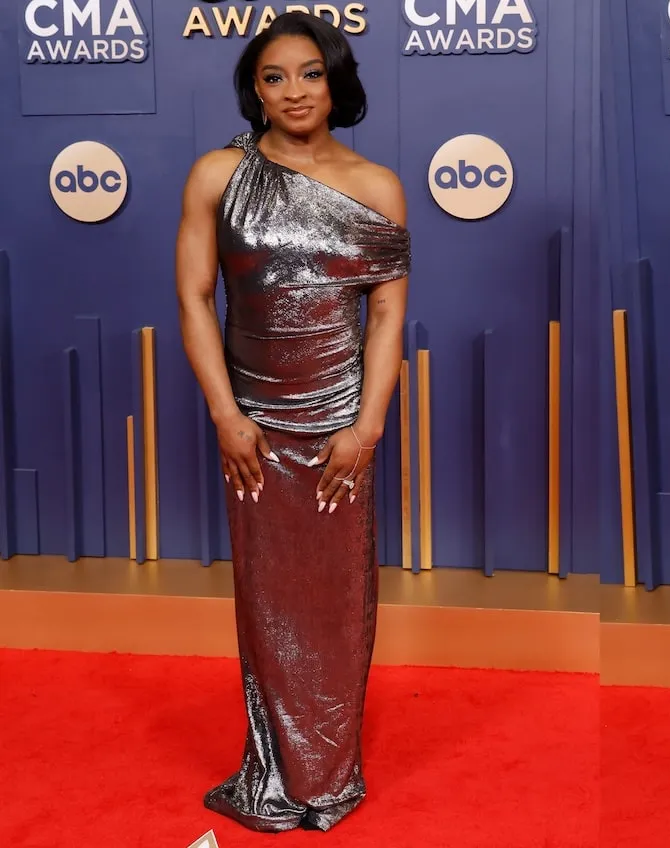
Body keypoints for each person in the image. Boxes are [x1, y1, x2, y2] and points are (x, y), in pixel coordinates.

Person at [175, 11, 411, 833]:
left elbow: (387, 320)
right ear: (255, 90)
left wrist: (368, 427)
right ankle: (277, 767)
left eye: (308, 73)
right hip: (256, 428)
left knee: (342, 598)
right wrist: (225, 414)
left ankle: (328, 773)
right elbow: (194, 300)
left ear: (335, 78)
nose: (293, 91)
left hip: (342, 422)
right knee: (268, 597)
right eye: (274, 77)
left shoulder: (377, 184)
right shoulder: (217, 174)